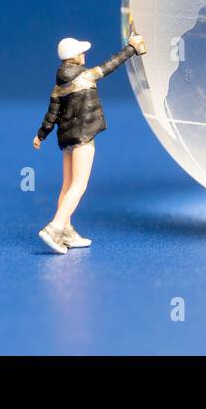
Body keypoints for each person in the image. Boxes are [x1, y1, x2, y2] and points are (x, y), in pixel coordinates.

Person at [33, 34, 146, 254]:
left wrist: (41, 135)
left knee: (67, 185)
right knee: (79, 185)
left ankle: (66, 230)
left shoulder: (58, 85)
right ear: (74, 57)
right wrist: (131, 48)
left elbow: (51, 114)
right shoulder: (86, 76)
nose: (84, 55)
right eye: (81, 52)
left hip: (65, 138)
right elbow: (110, 65)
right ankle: (55, 228)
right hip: (84, 136)